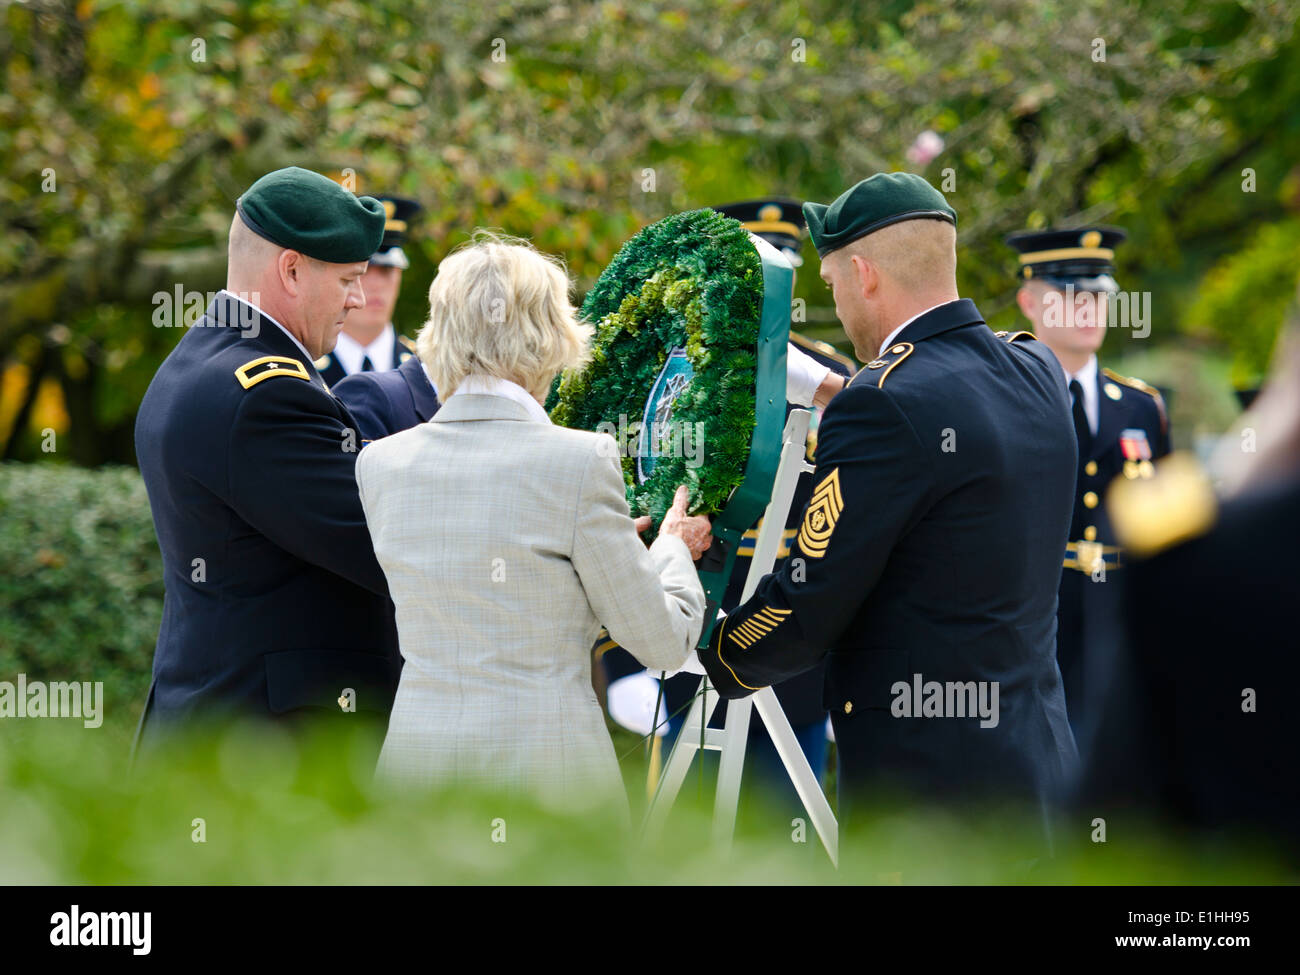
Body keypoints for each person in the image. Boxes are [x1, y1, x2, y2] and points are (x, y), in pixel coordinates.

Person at [694, 173, 1080, 843]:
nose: (838, 307)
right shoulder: (1037, 370)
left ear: (865, 274)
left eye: (833, 283)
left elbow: (806, 606)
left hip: (933, 802)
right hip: (1043, 771)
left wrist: (707, 645)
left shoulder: (884, 402)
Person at [354, 232, 711, 815]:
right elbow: (663, 643)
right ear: (550, 336)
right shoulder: (581, 460)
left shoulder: (381, 463)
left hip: (414, 778)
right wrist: (670, 547)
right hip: (548, 782)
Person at [132, 166, 402, 759]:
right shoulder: (267, 393)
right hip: (263, 746)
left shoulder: (203, 357)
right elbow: (389, 548)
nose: (359, 298)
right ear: (291, 269)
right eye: (350, 278)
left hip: (223, 721)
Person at [1006, 227, 1170, 754]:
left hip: (1118, 619)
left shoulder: (1141, 407)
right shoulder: (1004, 398)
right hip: (1033, 614)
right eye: (1072, 296)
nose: (1089, 309)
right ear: (1029, 301)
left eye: (1098, 295)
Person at [314, 195, 423, 387]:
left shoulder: (426, 369)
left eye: (386, 271)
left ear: (399, 274)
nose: (376, 285)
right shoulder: (304, 368)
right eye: (361, 272)